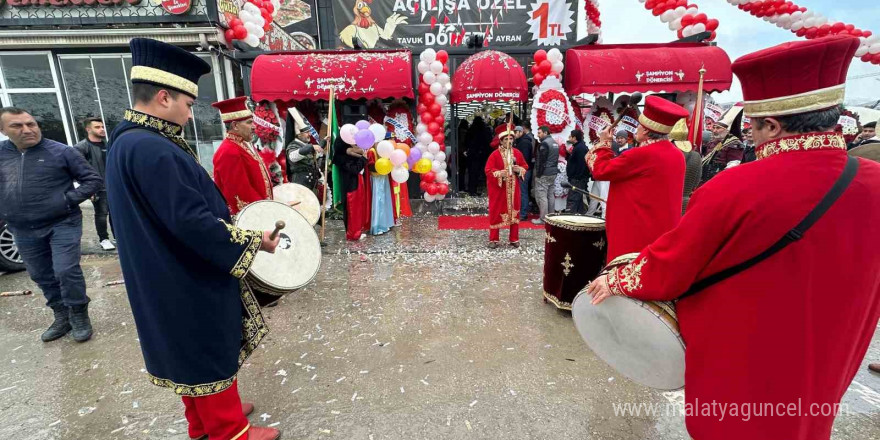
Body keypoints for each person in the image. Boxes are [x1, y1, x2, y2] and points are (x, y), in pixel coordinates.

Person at [587, 35, 880, 440]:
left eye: (755, 127)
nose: (753, 138)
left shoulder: (737, 187)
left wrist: (615, 278)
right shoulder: (875, 184)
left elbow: (672, 268)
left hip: (747, 374)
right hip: (824, 372)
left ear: (773, 124)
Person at [105, 39, 281, 440]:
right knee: (205, 343)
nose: (190, 111)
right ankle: (228, 430)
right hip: (183, 271)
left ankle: (202, 423)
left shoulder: (129, 141)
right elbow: (192, 223)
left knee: (185, 347)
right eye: (187, 102)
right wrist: (252, 240)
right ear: (164, 96)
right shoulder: (152, 148)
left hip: (162, 269)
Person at [0, 107, 102, 343]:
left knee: (66, 269)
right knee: (40, 274)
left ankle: (78, 313)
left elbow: (92, 180)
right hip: (22, 228)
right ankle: (61, 315)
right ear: (3, 130)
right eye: (17, 126)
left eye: (31, 124)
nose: (27, 130)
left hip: (62, 222)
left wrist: (66, 199)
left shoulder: (61, 152)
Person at [586, 96, 688, 260]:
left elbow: (600, 170)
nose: (636, 129)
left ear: (646, 130)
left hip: (635, 233)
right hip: (663, 232)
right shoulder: (677, 155)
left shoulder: (640, 155)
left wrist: (604, 142)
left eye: (639, 125)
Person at [211, 96, 274, 216]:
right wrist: (265, 213)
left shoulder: (243, 144)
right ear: (235, 126)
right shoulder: (229, 151)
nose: (254, 126)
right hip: (252, 217)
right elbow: (241, 193)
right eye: (249, 122)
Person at [73, 117, 115, 251]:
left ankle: (118, 236)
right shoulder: (81, 147)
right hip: (97, 188)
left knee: (115, 214)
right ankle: (104, 239)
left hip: (113, 186)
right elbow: (77, 169)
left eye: (102, 127)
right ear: (88, 129)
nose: (102, 129)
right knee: (101, 214)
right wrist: (88, 189)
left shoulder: (108, 144)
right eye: (97, 127)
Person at [484, 126, 528, 248]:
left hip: (514, 188)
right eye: (506, 139)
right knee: (496, 211)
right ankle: (494, 239)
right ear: (501, 141)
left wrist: (519, 169)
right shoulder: (494, 155)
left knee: (515, 212)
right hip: (499, 189)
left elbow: (525, 166)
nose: (509, 141)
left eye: (511, 139)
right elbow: (488, 170)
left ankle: (514, 238)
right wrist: (499, 173)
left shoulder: (517, 153)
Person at [333, 136, 371, 241]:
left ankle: (357, 231)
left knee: (357, 209)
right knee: (352, 210)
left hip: (356, 183)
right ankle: (353, 234)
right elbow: (354, 169)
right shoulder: (342, 157)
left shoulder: (348, 155)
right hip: (351, 186)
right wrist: (363, 158)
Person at [701, 107, 745, 185]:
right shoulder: (713, 141)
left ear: (727, 130)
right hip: (705, 178)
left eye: (718, 128)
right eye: (714, 127)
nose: (714, 130)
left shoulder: (734, 143)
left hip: (720, 180)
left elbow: (733, 165)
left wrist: (721, 180)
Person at [670, 119, 703, 214]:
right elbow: (696, 181)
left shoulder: (669, 154)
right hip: (685, 201)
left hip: (667, 201)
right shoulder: (696, 156)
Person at [532, 126, 559, 224]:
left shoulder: (544, 144)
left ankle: (543, 218)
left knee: (542, 195)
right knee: (550, 195)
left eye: (539, 133)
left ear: (546, 133)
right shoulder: (555, 143)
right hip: (553, 172)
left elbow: (541, 161)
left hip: (544, 173)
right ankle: (551, 217)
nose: (538, 135)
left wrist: (537, 175)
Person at [366, 144, 394, 235]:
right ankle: (377, 225)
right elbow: (370, 166)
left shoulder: (384, 150)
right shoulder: (372, 151)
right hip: (377, 179)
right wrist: (380, 168)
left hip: (384, 177)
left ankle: (386, 223)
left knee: (385, 200)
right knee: (379, 201)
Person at [286, 127, 323, 191]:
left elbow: (316, 154)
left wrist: (324, 141)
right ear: (299, 134)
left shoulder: (306, 146)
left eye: (309, 132)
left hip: (312, 185)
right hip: (301, 185)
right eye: (307, 132)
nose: (310, 134)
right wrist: (311, 147)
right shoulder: (293, 145)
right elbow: (293, 157)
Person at [464, 116, 491, 195]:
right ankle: (482, 190)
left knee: (472, 173)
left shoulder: (470, 130)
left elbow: (466, 142)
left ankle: (472, 190)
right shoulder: (485, 130)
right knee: (483, 173)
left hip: (472, 154)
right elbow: (488, 142)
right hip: (483, 154)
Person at [565, 129, 589, 214]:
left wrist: (577, 177)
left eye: (570, 137)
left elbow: (581, 165)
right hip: (576, 178)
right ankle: (578, 216)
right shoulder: (577, 147)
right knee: (577, 200)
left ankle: (570, 219)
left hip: (577, 179)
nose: (568, 138)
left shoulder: (580, 148)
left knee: (573, 199)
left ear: (574, 138)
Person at [513, 125, 534, 220]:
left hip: (524, 170)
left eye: (515, 132)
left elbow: (524, 158)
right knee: (522, 191)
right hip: (523, 169)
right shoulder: (522, 141)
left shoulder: (524, 143)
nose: (514, 134)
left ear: (521, 132)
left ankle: (523, 213)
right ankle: (522, 211)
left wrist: (517, 164)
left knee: (523, 191)